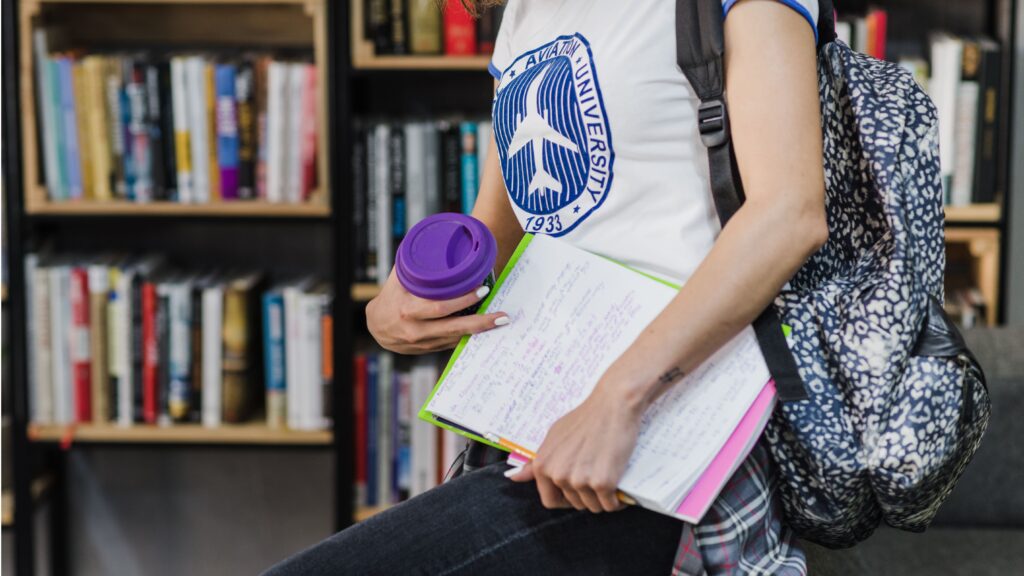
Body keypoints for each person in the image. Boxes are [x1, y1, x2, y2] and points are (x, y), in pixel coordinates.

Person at [265, 0, 827, 573]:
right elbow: (507, 224)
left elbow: (788, 214)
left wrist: (618, 398)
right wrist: (404, 304)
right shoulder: (524, 14)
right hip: (534, 426)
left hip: (667, 437)